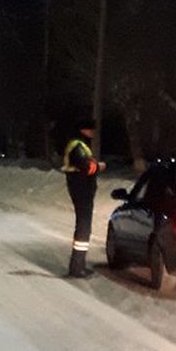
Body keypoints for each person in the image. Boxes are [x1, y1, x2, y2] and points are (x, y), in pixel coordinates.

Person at [61, 119, 106, 278]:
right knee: (83, 227)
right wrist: (98, 166)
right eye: (91, 129)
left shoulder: (79, 144)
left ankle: (78, 265)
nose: (93, 133)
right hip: (81, 190)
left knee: (83, 226)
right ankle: (77, 267)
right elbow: (86, 166)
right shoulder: (77, 146)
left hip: (81, 189)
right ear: (84, 130)